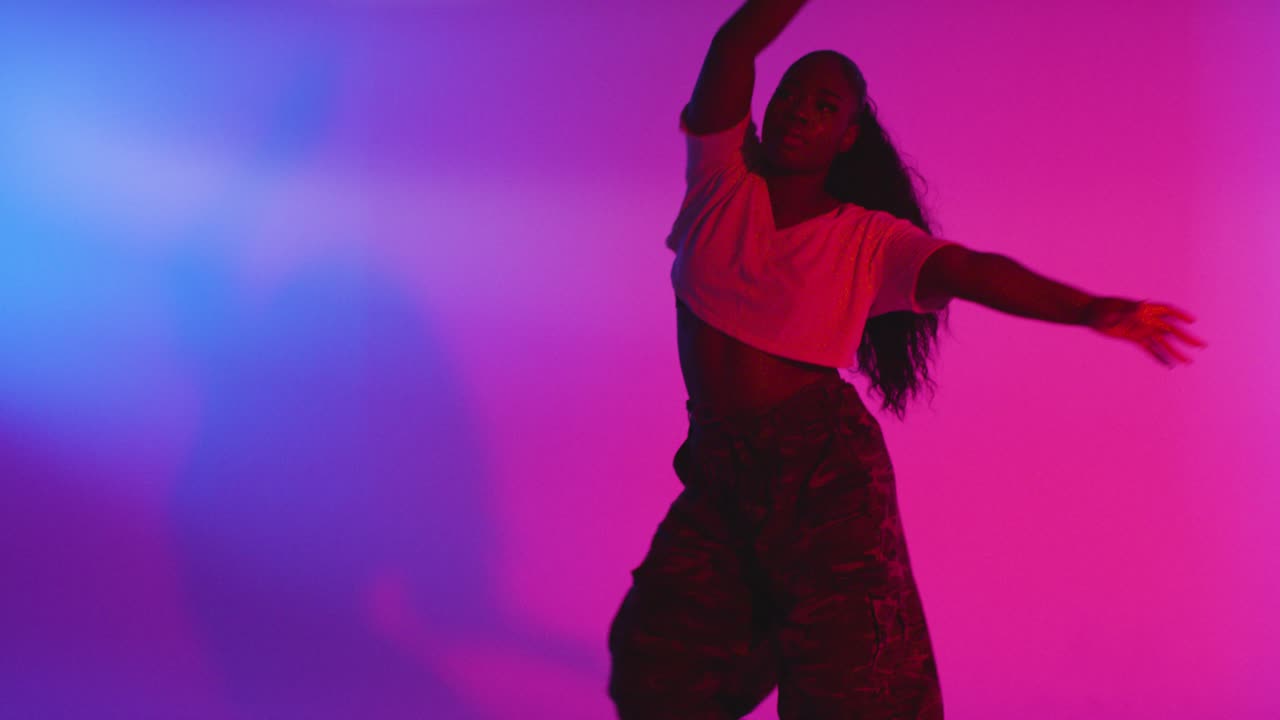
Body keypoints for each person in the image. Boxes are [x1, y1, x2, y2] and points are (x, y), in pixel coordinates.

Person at [606, 1, 1208, 718]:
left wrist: (1087, 308)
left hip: (822, 472)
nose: (801, 109)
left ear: (845, 137)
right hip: (721, 467)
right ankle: (781, 627)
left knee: (857, 692)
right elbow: (735, 41)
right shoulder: (719, 183)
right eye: (791, 94)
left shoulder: (870, 241)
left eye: (823, 105)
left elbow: (971, 270)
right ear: (764, 112)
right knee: (657, 668)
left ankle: (808, 631)